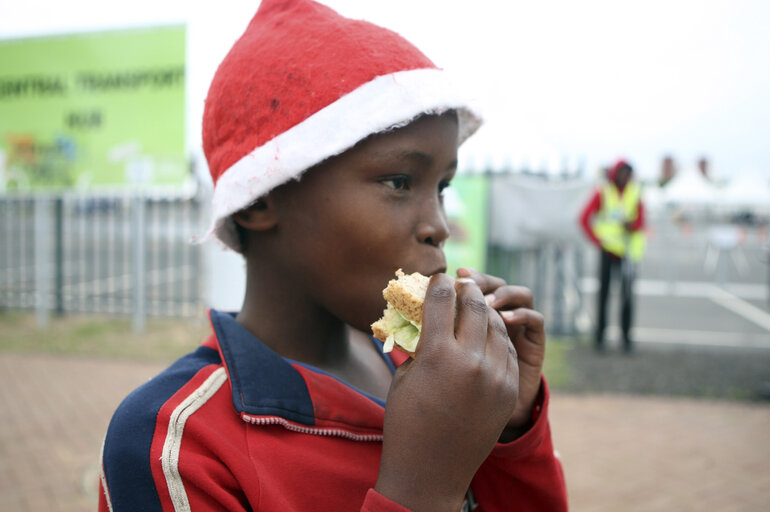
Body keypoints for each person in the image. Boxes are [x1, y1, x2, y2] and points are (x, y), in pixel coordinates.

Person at [98, 1, 568, 510]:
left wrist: (509, 435)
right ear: (260, 198)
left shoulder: (429, 375)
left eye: (443, 186)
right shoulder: (177, 442)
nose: (438, 224)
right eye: (400, 181)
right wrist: (423, 486)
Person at [579, 160, 646, 354]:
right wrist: (597, 240)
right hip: (608, 251)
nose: (625, 177)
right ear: (616, 174)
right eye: (622, 173)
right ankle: (600, 338)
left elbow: (641, 220)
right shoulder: (604, 191)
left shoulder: (635, 191)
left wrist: (631, 226)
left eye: (628, 173)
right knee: (604, 295)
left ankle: (626, 339)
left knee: (627, 297)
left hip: (627, 253)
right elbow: (584, 218)